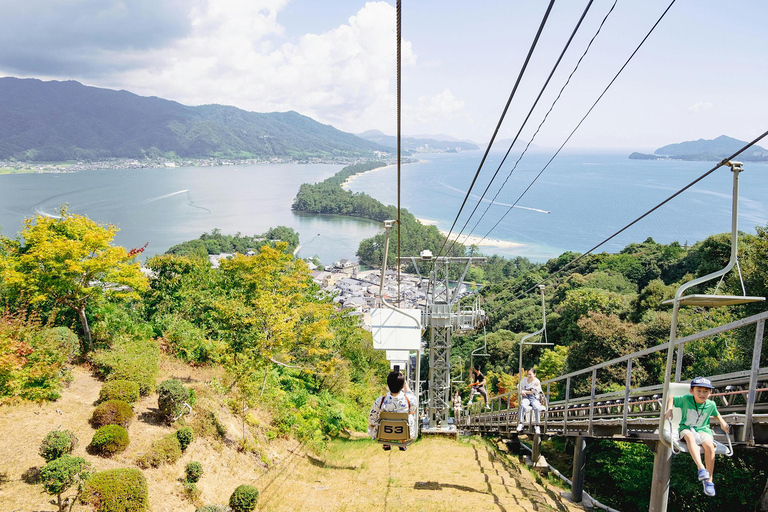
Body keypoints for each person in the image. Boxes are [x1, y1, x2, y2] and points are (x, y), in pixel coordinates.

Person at [665, 376, 730, 497]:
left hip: (703, 430)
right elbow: (672, 398)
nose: (702, 394)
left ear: (710, 393)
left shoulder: (711, 404)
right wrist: (669, 409)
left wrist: (722, 422)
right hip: (686, 428)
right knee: (690, 438)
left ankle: (709, 481)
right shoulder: (686, 399)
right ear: (692, 391)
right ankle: (701, 468)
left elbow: (716, 414)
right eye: (698, 390)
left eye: (706, 391)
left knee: (709, 446)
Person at [369, 367, 418, 451]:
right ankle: (402, 440)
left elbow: (372, 418)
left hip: (384, 431)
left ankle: (386, 440)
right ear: (402, 386)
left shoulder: (381, 400)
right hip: (404, 432)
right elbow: (410, 396)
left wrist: (372, 424)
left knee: (381, 417)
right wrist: (404, 382)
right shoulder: (409, 400)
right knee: (408, 415)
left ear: (388, 385)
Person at [516, 368, 545, 434]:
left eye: (530, 374)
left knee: (537, 407)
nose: (529, 376)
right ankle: (521, 423)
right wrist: (521, 392)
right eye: (528, 374)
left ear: (534, 374)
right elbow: (518, 387)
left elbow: (533, 392)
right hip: (526, 397)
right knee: (522, 405)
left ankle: (537, 425)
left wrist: (524, 391)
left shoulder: (537, 382)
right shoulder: (524, 380)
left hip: (534, 397)